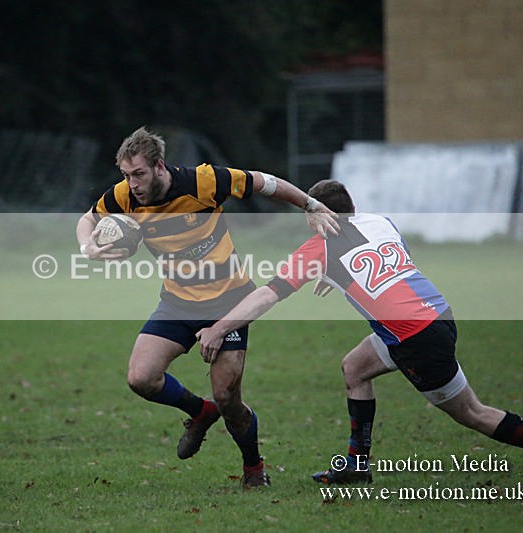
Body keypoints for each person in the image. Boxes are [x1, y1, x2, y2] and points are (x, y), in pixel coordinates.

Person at [197, 179, 523, 485]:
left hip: (415, 338)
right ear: (353, 206)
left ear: (315, 216)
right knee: (355, 368)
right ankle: (357, 465)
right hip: (436, 313)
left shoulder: (319, 249)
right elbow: (388, 262)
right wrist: (340, 276)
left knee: (472, 413)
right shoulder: (380, 221)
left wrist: (220, 327)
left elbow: (267, 295)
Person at [76, 127, 338, 488]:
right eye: (125, 175)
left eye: (138, 174)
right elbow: (88, 218)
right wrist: (87, 247)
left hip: (229, 302)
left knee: (228, 397)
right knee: (141, 378)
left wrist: (309, 205)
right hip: (177, 302)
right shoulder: (125, 196)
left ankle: (253, 468)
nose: (131, 183)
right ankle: (200, 413)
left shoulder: (204, 182)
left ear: (159, 166)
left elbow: (265, 182)